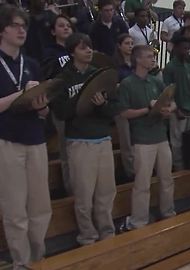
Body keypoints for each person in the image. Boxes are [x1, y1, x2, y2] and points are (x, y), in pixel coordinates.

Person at [51, 33, 118, 246]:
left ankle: (107, 234)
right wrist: (82, 101)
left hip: (103, 138)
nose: (89, 51)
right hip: (79, 141)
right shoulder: (62, 79)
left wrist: (101, 105)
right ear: (72, 52)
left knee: (106, 193)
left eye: (90, 47)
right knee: (84, 196)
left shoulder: (100, 75)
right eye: (83, 48)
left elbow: (112, 112)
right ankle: (87, 237)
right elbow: (60, 112)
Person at [0, 5, 52, 269]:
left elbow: (43, 111)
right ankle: (21, 263)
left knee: (41, 206)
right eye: (15, 25)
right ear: (2, 29)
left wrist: (41, 104)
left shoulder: (31, 63)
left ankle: (38, 258)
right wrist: (22, 94)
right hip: (7, 140)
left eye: (25, 26)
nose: (22, 30)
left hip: (35, 137)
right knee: (15, 209)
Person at [118, 45, 176, 229]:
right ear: (138, 60)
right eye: (149, 56)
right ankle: (139, 220)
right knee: (142, 183)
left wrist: (168, 110)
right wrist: (147, 109)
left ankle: (168, 213)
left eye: (153, 56)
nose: (153, 59)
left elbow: (171, 102)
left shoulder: (155, 81)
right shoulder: (127, 83)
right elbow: (124, 113)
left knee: (167, 179)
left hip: (161, 136)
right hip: (142, 139)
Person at [42, 14, 75, 195]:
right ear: (54, 31)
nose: (66, 28)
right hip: (61, 106)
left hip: (79, 104)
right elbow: (48, 80)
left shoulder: (78, 49)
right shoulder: (50, 52)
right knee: (66, 151)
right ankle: (70, 188)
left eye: (68, 25)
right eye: (61, 26)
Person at [163, 36, 190, 170]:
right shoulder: (170, 67)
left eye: (188, 48)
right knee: (177, 142)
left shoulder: (189, 65)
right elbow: (167, 92)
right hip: (178, 110)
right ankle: (178, 167)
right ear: (176, 49)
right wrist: (176, 110)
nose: (187, 51)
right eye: (184, 48)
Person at [112, 33, 135, 181]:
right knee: (126, 142)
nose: (130, 46)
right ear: (119, 46)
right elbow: (111, 86)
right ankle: (130, 173)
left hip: (136, 104)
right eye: (127, 43)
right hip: (121, 106)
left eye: (132, 43)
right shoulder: (115, 65)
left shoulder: (136, 63)